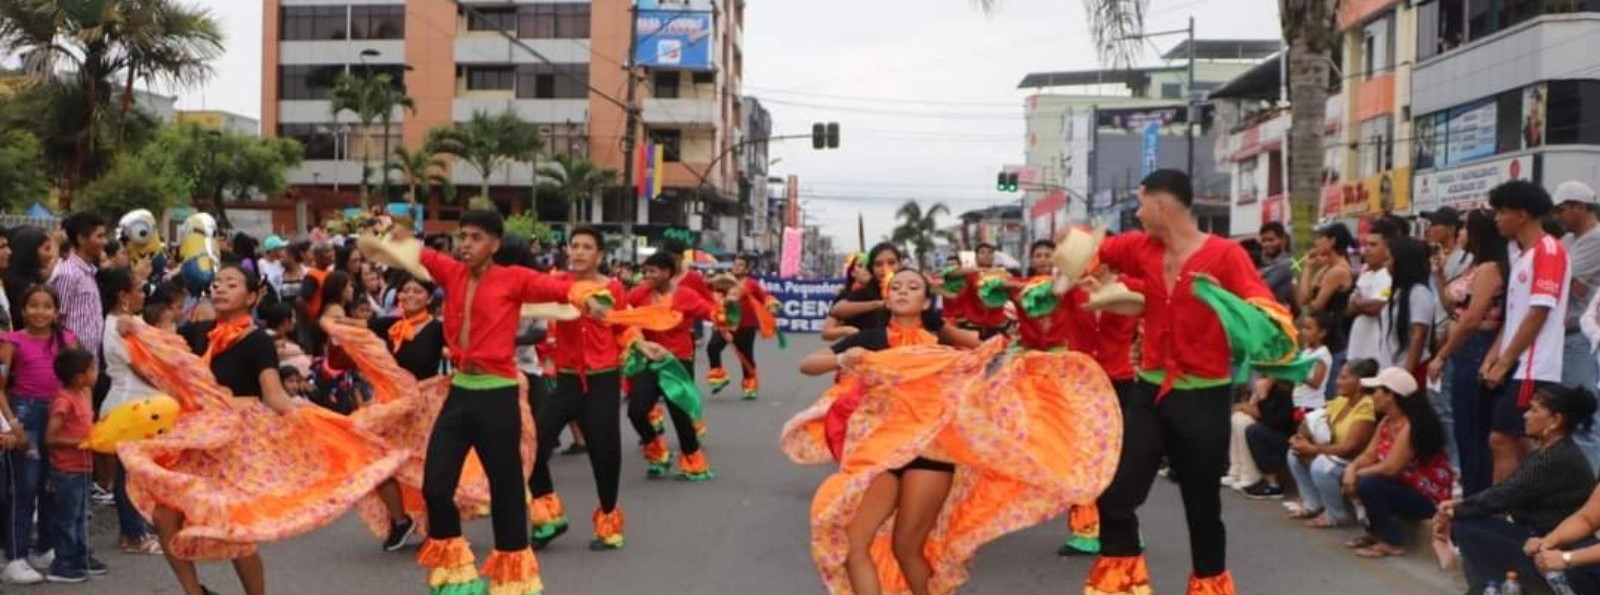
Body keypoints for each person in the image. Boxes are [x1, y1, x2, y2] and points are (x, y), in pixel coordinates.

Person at [116, 263, 403, 595]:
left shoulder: (258, 341)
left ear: (251, 296)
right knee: (164, 516)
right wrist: (134, 328)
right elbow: (165, 352)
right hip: (199, 437)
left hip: (237, 443)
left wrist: (323, 422)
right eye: (218, 283)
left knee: (235, 526)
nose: (220, 288)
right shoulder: (199, 332)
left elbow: (274, 396)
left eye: (231, 284)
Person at [1081, 169, 1295, 594]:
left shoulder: (1226, 255)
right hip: (1149, 392)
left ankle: (1208, 588)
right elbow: (1088, 250)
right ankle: (1121, 588)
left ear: (1161, 205)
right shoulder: (1139, 247)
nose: (1138, 214)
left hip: (1203, 398)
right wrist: (1092, 278)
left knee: (1202, 509)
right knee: (1116, 495)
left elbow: (1265, 312)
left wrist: (1224, 300)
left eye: (1141, 204)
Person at [360, 210, 587, 592]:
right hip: (461, 392)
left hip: (498, 395)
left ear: (495, 244)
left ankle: (513, 580)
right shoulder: (452, 273)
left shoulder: (514, 278)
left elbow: (559, 289)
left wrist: (589, 296)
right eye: (462, 236)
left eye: (475, 237)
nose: (465, 244)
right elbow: (419, 253)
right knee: (436, 486)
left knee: (506, 491)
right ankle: (457, 576)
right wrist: (392, 233)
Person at [529, 227, 674, 552]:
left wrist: (642, 345)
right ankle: (548, 514)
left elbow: (623, 327)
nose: (579, 252)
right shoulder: (558, 283)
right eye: (574, 245)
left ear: (600, 255)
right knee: (532, 447)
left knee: (604, 454)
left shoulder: (613, 288)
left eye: (587, 247)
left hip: (602, 381)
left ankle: (608, 522)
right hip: (565, 381)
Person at [1435, 385, 1598, 592]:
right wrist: (1548, 542)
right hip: (1544, 537)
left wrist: (1456, 509)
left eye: (1534, 410)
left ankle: (1493, 586)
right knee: (1469, 521)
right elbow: (1586, 518)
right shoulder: (1549, 452)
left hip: (1561, 544)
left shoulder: (1556, 459)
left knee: (1467, 524)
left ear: (1555, 421)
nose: (1525, 415)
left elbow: (1506, 495)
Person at [1484, 180, 1571, 485]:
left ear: (1521, 215)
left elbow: (1538, 312)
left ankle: (1502, 507)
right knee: (1520, 442)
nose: (1497, 219)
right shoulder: (1523, 255)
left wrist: (1506, 360)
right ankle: (1524, 503)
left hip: (1534, 365)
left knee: (1503, 438)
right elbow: (1515, 315)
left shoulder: (1549, 250)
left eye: (1501, 212)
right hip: (1518, 364)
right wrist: (1493, 356)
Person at [0, 285, 79, 585]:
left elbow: (79, 382)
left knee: (51, 486)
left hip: (59, 415)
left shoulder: (68, 340)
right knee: (25, 487)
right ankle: (15, 556)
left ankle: (45, 547)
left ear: (56, 311)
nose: (40, 312)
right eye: (33, 305)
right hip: (26, 414)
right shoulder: (11, 341)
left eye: (47, 306)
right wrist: (12, 424)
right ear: (22, 310)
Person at [1429, 209, 1509, 496]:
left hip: (1476, 345)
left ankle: (1478, 492)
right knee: (1464, 424)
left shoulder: (1489, 269)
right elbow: (1454, 308)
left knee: (1473, 427)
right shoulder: (1474, 266)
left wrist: (1442, 354)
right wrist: (1440, 277)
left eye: (1465, 228)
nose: (1461, 233)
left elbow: (1472, 319)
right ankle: (1472, 490)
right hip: (1464, 346)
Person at [626, 251, 719, 480]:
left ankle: (693, 463)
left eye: (652, 271)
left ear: (667, 272)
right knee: (636, 410)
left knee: (680, 416)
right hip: (648, 360)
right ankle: (657, 451)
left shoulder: (685, 296)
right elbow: (621, 314)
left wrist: (727, 311)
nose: (647, 276)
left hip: (677, 361)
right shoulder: (639, 294)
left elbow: (711, 312)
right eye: (645, 271)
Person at [1344, 367, 1453, 558]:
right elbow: (1369, 455)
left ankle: (1392, 542)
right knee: (1356, 477)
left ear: (1390, 396)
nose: (1372, 396)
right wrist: (1351, 468)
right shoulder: (1387, 421)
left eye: (1377, 391)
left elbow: (1391, 468)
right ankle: (1375, 531)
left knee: (1368, 484)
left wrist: (1356, 474)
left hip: (1426, 497)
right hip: (1402, 487)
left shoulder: (1410, 426)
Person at [95, 266, 163, 555]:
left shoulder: (128, 322)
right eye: (138, 289)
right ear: (123, 295)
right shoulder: (117, 327)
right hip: (129, 405)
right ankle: (133, 534)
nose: (143, 294)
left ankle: (137, 529)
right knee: (130, 475)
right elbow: (143, 368)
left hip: (139, 404)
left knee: (135, 472)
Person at [1286, 357, 1380, 528]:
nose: (1337, 382)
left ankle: (1336, 515)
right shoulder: (1342, 401)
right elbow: (1312, 421)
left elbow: (1350, 448)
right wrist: (1300, 437)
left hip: (1353, 462)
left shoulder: (1366, 406)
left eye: (1343, 378)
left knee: (1321, 465)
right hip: (1335, 456)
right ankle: (1313, 504)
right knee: (1294, 453)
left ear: (1359, 382)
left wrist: (1313, 449)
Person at [42, 347, 102, 584]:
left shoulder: (85, 393)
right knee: (68, 517)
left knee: (81, 515)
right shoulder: (63, 400)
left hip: (84, 467)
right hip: (68, 469)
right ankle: (62, 564)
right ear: (78, 377)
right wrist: (81, 443)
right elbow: (50, 437)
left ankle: (80, 557)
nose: (96, 373)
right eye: (92, 369)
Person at [705, 254, 778, 400]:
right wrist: (710, 282)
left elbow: (764, 297)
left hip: (745, 325)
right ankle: (718, 377)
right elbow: (709, 289)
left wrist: (771, 305)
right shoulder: (725, 280)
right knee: (712, 347)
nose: (736, 267)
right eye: (735, 264)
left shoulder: (751, 284)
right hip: (725, 324)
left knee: (746, 357)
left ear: (747, 269)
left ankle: (749, 385)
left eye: (740, 265)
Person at [1298, 222, 1356, 399]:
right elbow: (1304, 299)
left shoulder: (1339, 271)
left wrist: (1310, 301)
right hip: (1321, 340)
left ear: (1332, 241)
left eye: (1320, 238)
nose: (1316, 243)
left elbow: (1316, 305)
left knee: (1327, 395)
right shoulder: (1325, 269)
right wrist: (1308, 268)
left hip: (1333, 340)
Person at [1555, 181, 1600, 395]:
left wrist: (1570, 281)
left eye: (1561, 209)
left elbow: (1559, 275)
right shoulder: (1567, 239)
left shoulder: (1596, 238)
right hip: (1565, 334)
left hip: (1582, 333)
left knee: (1582, 402)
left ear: (1580, 207)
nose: (1557, 216)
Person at [51, 214, 107, 357]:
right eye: (99, 236)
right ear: (81, 239)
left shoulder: (89, 272)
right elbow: (56, 318)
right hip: (73, 358)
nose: (104, 242)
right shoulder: (68, 274)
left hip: (91, 357)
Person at [1346, 220, 1394, 364]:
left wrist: (1357, 301)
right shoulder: (1366, 275)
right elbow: (1349, 309)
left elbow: (1376, 307)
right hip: (1358, 347)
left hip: (1376, 351)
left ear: (1388, 249)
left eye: (1373, 245)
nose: (1366, 249)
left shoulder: (1387, 276)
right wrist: (1361, 303)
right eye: (1365, 245)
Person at [1258, 222, 1297, 314]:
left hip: (1274, 314)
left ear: (1282, 240)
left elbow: (1262, 286)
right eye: (1263, 240)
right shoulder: (1266, 262)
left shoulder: (1286, 264)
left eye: (1271, 240)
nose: (1266, 244)